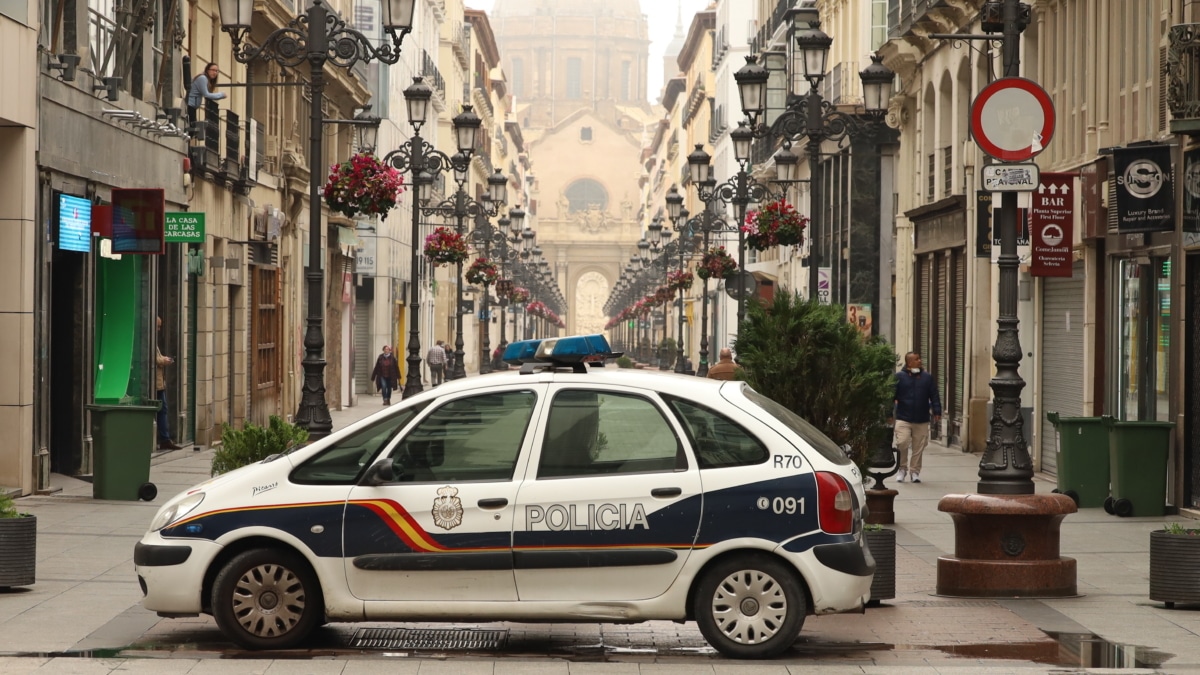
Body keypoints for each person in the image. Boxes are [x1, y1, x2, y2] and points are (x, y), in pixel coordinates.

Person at [891, 351, 941, 483]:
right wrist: (888, 414)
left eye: (919, 359)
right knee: (902, 442)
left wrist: (937, 411)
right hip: (903, 417)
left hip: (921, 418)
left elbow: (934, 395)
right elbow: (890, 396)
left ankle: (915, 471)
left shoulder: (927, 378)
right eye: (916, 359)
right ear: (909, 363)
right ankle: (902, 468)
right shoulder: (899, 377)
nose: (920, 361)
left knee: (919, 446)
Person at [155, 317, 182, 450]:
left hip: (159, 383)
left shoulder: (153, 341)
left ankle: (165, 438)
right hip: (155, 383)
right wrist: (163, 360)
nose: (159, 330)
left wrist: (162, 359)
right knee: (162, 409)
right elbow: (153, 358)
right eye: (158, 326)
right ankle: (164, 439)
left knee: (163, 409)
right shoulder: (148, 339)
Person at [186, 62, 226, 131]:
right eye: (213, 70)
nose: (215, 73)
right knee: (192, 130)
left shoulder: (204, 79)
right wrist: (221, 94)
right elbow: (206, 95)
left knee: (192, 130)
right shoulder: (203, 78)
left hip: (192, 106)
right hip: (190, 106)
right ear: (207, 70)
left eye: (216, 71)